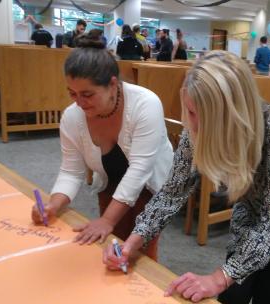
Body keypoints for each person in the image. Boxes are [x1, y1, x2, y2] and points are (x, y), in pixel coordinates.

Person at [103, 50, 270, 304]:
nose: (191, 124)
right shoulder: (195, 130)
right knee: (234, 290)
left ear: (230, 113)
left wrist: (218, 278)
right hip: (253, 203)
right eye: (189, 111)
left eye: (198, 115)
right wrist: (132, 243)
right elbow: (171, 194)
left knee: (269, 291)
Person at [31, 35, 174, 261]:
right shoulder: (72, 117)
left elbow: (139, 170)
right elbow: (71, 171)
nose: (79, 102)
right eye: (72, 93)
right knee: (110, 247)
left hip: (150, 185)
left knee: (141, 255)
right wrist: (53, 204)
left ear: (113, 85)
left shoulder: (146, 103)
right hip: (111, 181)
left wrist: (107, 220)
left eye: (87, 94)